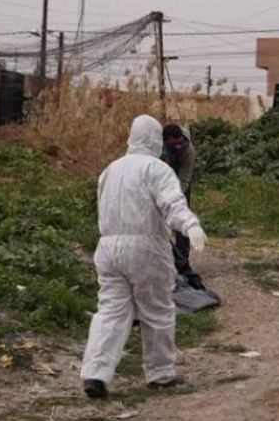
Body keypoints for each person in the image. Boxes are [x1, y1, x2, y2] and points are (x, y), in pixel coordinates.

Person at [80, 115, 207, 398]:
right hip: (146, 248)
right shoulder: (157, 169)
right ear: (154, 140)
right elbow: (172, 204)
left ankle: (95, 373)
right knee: (157, 310)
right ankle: (160, 373)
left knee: (110, 312)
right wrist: (190, 224)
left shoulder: (109, 171)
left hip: (109, 249)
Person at [162, 124, 203, 289]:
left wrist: (175, 198)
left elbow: (185, 178)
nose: (177, 147)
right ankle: (161, 259)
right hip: (162, 178)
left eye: (179, 143)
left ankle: (182, 261)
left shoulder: (188, 151)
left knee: (181, 219)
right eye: (172, 145)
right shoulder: (158, 147)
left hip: (180, 184)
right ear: (165, 142)